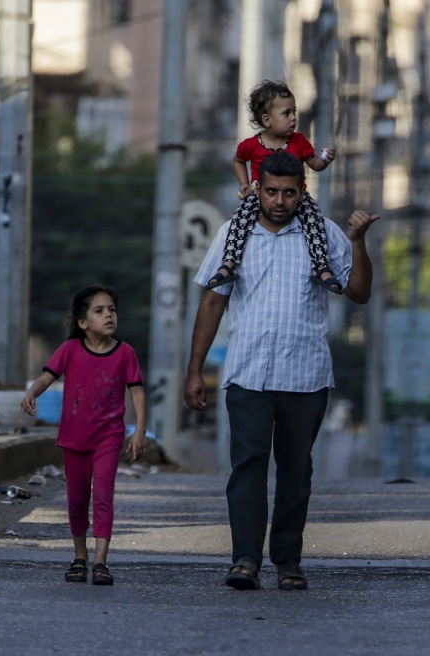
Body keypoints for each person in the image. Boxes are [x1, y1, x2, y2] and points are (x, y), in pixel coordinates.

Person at [184, 150, 378, 591]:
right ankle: (245, 560)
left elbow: (360, 294)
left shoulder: (323, 234)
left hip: (305, 376)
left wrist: (359, 243)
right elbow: (214, 300)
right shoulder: (234, 234)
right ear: (258, 187)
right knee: (248, 466)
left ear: (301, 192)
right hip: (248, 374)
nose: (279, 201)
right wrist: (194, 370)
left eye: (289, 193)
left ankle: (288, 561)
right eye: (271, 191)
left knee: (296, 470)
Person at [21, 285, 146, 586]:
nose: (108, 316)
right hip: (74, 438)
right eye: (99, 311)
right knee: (77, 500)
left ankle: (101, 562)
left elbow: (137, 391)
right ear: (82, 322)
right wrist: (31, 393)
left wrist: (139, 429)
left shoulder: (125, 353)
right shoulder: (70, 350)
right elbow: (47, 376)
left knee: (103, 496)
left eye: (112, 310)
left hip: (109, 436)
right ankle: (80, 557)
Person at [205, 79, 341, 293]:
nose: (293, 118)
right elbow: (238, 160)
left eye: (294, 112)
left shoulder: (298, 141)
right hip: (261, 196)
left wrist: (325, 159)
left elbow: (314, 163)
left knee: (314, 219)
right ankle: (229, 264)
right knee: (240, 219)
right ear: (267, 120)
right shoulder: (250, 145)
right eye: (286, 113)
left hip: (297, 197)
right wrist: (244, 184)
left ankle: (321, 266)